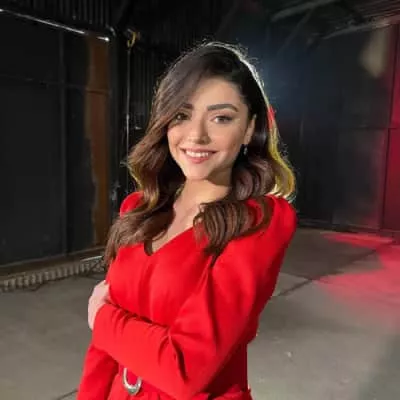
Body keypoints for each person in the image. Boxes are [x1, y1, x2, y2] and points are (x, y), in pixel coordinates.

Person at [77, 41, 297, 400]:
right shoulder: (139, 207)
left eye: (221, 118)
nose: (196, 136)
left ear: (249, 128)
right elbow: (104, 348)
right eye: (182, 115)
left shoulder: (258, 221)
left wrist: (101, 319)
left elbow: (184, 368)